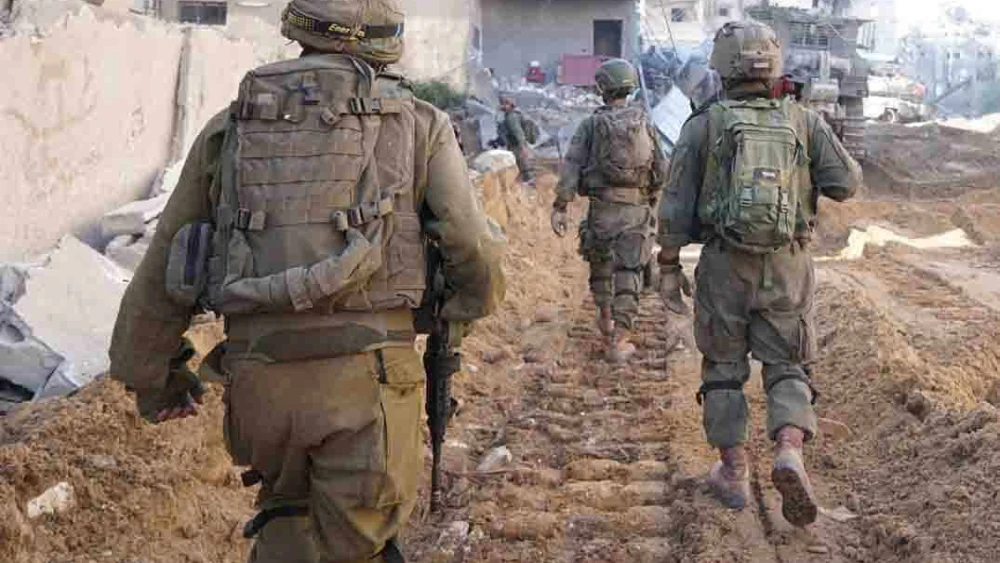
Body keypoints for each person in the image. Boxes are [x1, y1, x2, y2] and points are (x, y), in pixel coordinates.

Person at [108, 0, 506, 561]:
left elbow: (163, 267)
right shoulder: (419, 123)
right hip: (369, 382)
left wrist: (155, 380)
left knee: (283, 520)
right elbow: (472, 248)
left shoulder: (231, 128)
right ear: (383, 40)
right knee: (358, 540)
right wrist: (463, 307)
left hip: (258, 381)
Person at [656, 21, 862, 526]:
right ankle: (789, 448)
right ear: (773, 64)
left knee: (724, 370)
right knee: (787, 366)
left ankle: (732, 472)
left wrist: (666, 265)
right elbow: (847, 185)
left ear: (721, 66)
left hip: (725, 265)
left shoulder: (704, 123)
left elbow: (675, 203)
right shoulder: (803, 120)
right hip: (788, 264)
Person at [550, 58, 667, 362]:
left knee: (601, 267)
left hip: (602, 210)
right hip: (635, 209)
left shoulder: (591, 125)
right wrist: (650, 200)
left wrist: (561, 206)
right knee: (629, 272)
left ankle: (605, 321)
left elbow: (572, 166)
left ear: (602, 88)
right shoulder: (644, 123)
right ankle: (620, 339)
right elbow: (661, 169)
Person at [499, 96, 536, 184]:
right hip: (516, 145)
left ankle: (530, 187)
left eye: (505, 104)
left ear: (510, 105)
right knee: (521, 166)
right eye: (502, 104)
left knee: (524, 167)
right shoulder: (513, 114)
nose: (502, 106)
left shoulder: (511, 117)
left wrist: (523, 147)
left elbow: (518, 132)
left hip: (517, 146)